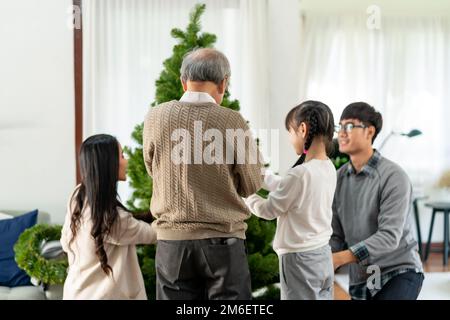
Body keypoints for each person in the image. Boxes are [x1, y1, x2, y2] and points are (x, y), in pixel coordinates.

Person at [143, 48, 264, 300]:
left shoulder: (155, 117)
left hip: (172, 244)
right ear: (223, 83)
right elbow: (251, 184)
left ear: (183, 81)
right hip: (223, 244)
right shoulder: (232, 121)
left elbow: (152, 169)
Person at [331, 102, 424, 300]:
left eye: (349, 126)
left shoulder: (393, 177)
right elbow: (336, 236)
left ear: (369, 131)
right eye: (340, 127)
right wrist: (319, 261)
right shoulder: (337, 179)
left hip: (398, 271)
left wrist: (339, 259)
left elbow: (389, 236)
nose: (342, 133)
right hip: (362, 277)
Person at [245, 100, 336, 300]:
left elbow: (268, 210)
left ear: (302, 129)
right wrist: (257, 175)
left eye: (290, 132)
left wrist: (244, 194)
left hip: (299, 260)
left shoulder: (300, 174)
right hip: (322, 255)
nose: (289, 138)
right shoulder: (327, 167)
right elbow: (289, 189)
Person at [61, 134, 156, 300]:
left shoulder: (78, 196)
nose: (126, 162)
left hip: (75, 293)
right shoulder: (113, 219)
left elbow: (65, 241)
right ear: (109, 164)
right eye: (122, 156)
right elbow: (156, 234)